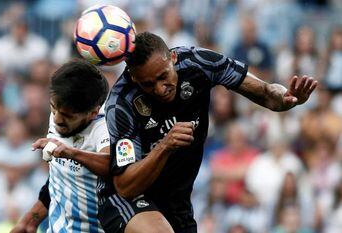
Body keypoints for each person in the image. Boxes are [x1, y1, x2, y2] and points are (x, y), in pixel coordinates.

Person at [97, 32, 317, 233]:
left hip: (176, 199)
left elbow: (267, 92)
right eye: (148, 84)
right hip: (129, 199)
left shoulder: (199, 62)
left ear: (173, 58)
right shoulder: (121, 103)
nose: (159, 88)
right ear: (135, 78)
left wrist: (286, 98)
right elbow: (125, 186)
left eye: (164, 76)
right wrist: (164, 146)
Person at [11, 59, 110, 233]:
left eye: (67, 116)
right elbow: (57, 180)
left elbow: (111, 165)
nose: (57, 119)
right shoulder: (59, 114)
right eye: (53, 109)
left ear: (92, 113)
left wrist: (72, 153)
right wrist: (29, 222)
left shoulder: (104, 127)